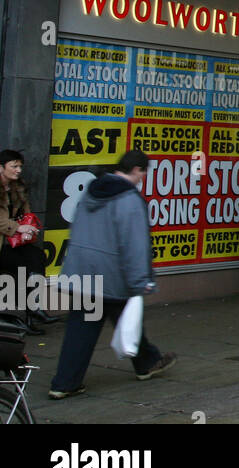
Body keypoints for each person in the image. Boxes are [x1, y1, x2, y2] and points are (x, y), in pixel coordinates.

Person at [48, 150, 176, 399]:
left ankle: (64, 383)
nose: (143, 178)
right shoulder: (129, 199)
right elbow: (136, 244)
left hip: (84, 273)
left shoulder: (92, 190)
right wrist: (142, 281)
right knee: (125, 316)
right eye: (144, 173)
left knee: (82, 328)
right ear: (137, 170)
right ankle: (146, 362)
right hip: (110, 276)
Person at [0, 149, 57, 334]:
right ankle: (24, 316)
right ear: (1, 168)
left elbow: (27, 214)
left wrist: (28, 228)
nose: (18, 170)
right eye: (14, 166)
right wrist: (18, 228)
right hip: (2, 243)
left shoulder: (18, 187)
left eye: (20, 167)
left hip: (14, 242)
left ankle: (34, 310)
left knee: (37, 257)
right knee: (22, 267)